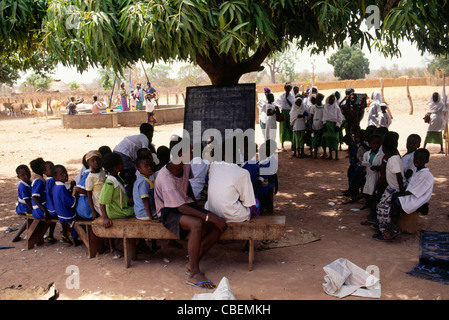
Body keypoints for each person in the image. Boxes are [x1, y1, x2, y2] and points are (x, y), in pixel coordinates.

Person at [154, 137, 227, 289]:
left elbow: (187, 188)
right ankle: (194, 272)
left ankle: (191, 262)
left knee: (219, 225)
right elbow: (179, 208)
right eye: (190, 150)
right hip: (169, 210)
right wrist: (206, 215)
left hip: (183, 204)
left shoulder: (185, 165)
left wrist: (198, 208)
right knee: (197, 224)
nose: (193, 152)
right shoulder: (165, 177)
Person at [205, 139, 256, 223]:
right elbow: (248, 202)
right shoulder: (243, 173)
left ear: (222, 153)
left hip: (212, 212)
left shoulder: (213, 166)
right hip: (233, 216)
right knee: (254, 205)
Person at [374, 131, 405, 241]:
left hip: (394, 189)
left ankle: (388, 232)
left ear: (385, 147)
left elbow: (399, 177)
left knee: (383, 209)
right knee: (381, 207)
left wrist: (401, 192)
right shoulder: (393, 158)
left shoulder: (393, 160)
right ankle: (384, 229)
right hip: (391, 187)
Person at [113, 123, 156, 197]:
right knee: (131, 175)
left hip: (117, 151)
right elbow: (145, 152)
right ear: (150, 133)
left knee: (125, 174)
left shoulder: (138, 138)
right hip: (124, 154)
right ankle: (129, 195)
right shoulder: (144, 138)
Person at [394, 148, 434, 216]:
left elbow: (413, 191)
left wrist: (399, 194)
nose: (417, 160)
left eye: (421, 159)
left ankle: (394, 224)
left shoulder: (425, 174)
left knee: (396, 202)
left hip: (418, 198)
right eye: (415, 158)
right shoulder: (418, 171)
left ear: (426, 161)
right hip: (415, 195)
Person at [99, 152, 135, 225]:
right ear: (116, 167)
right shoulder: (110, 183)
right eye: (121, 163)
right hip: (118, 212)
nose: (123, 164)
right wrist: (105, 218)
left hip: (121, 208)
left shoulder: (118, 178)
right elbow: (102, 202)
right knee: (140, 212)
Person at [52, 165, 81, 245]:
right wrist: (76, 194)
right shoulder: (62, 188)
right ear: (55, 177)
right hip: (67, 213)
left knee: (67, 223)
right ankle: (75, 239)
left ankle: (65, 235)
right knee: (76, 220)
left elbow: (66, 196)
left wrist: (71, 187)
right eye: (62, 174)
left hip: (60, 213)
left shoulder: (56, 186)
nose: (65, 175)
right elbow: (70, 202)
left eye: (65, 173)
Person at [361, 134, 384, 210]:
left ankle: (372, 206)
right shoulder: (366, 154)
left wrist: (377, 167)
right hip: (369, 174)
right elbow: (364, 163)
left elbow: (383, 166)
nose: (376, 145)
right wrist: (364, 167)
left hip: (377, 175)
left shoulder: (381, 155)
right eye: (373, 143)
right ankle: (367, 203)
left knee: (374, 190)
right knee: (367, 189)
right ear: (370, 144)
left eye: (378, 144)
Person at [12, 165, 33, 242]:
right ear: (18, 176)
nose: (26, 176)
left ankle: (18, 235)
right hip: (24, 208)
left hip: (28, 206)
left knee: (31, 220)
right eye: (23, 175)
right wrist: (33, 210)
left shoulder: (30, 182)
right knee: (33, 218)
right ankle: (19, 235)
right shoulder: (23, 186)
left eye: (27, 173)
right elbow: (27, 201)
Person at [85, 150, 106, 220]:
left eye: (97, 160)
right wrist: (93, 210)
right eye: (93, 160)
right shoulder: (90, 178)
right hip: (98, 202)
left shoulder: (103, 172)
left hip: (106, 199)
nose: (96, 162)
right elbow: (89, 195)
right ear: (88, 163)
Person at [322, 94, 343, 160]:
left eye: (333, 100)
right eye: (330, 99)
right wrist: (324, 124)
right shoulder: (325, 107)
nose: (331, 101)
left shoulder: (336, 108)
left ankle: (336, 155)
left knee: (335, 140)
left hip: (334, 125)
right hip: (328, 125)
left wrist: (338, 125)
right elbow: (324, 117)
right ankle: (330, 155)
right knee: (328, 139)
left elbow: (339, 117)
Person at [274, 82, 295, 151]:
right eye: (287, 88)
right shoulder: (281, 96)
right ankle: (282, 146)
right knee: (283, 129)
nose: (288, 89)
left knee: (290, 128)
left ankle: (292, 145)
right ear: (284, 88)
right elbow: (276, 103)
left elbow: (293, 105)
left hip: (290, 113)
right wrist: (278, 111)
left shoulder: (292, 96)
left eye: (289, 88)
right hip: (283, 113)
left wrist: (287, 98)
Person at [43, 161, 57, 243]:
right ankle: (66, 234)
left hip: (50, 207)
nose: (53, 169)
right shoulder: (51, 181)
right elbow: (53, 194)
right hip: (53, 207)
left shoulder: (48, 180)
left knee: (53, 222)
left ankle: (51, 236)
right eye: (51, 168)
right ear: (45, 172)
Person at [309, 93, 325, 159]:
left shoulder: (324, 107)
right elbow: (311, 117)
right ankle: (315, 154)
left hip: (321, 124)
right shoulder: (313, 107)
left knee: (322, 139)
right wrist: (310, 126)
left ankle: (324, 153)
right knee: (315, 140)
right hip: (315, 124)